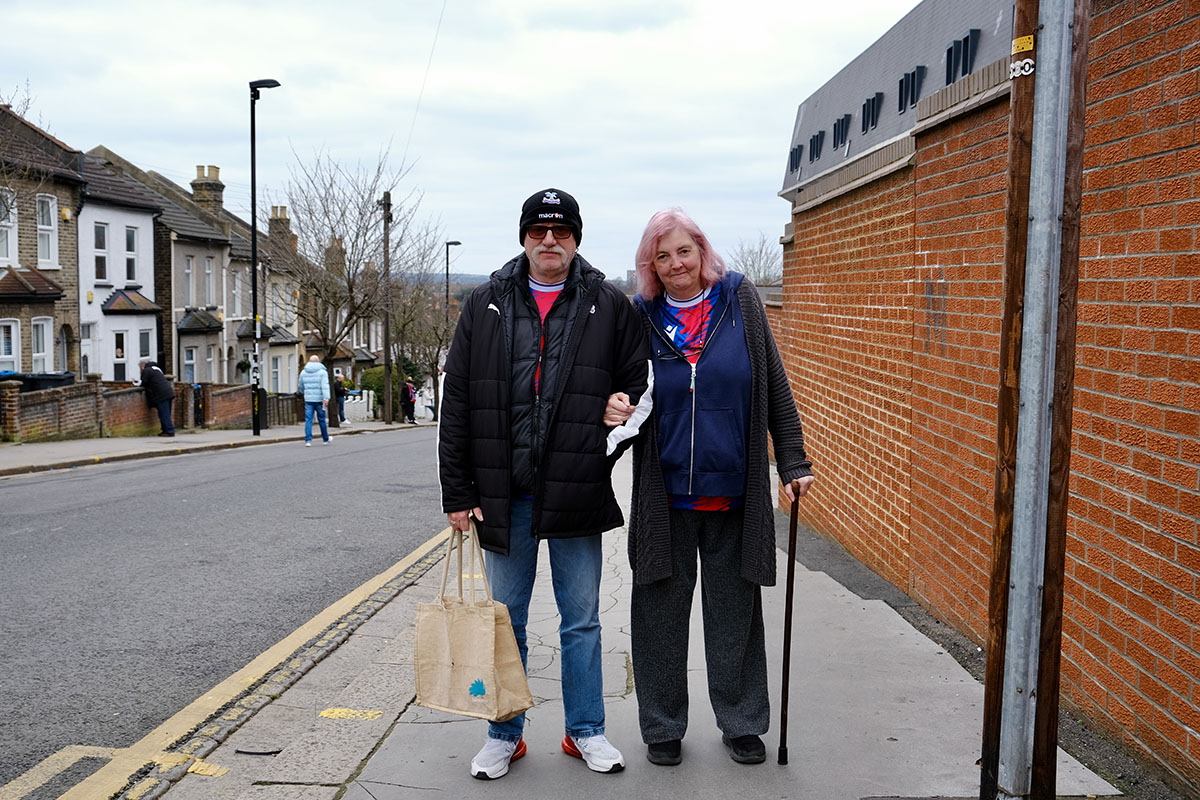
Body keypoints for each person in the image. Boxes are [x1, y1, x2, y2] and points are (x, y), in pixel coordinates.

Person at [439, 188, 651, 780]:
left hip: (576, 487)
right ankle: (504, 734)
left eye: (559, 229)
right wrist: (457, 492)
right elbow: (456, 401)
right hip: (503, 495)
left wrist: (620, 408)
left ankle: (585, 732)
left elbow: (640, 384)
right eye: (538, 229)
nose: (549, 239)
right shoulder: (485, 305)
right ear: (524, 237)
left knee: (580, 620)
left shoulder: (609, 305)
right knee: (506, 619)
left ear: (576, 237)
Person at [613, 208, 815, 768]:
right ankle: (662, 726)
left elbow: (773, 381)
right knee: (657, 616)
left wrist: (792, 462)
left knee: (735, 615)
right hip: (665, 496)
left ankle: (742, 722)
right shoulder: (642, 316)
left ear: (702, 251)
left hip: (734, 493)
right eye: (663, 256)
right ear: (650, 265)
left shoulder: (739, 300)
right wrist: (613, 405)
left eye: (684, 251)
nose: (676, 264)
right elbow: (622, 390)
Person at [297, 355, 331, 446]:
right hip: (320, 400)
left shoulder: (303, 372)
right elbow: (325, 386)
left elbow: (300, 385)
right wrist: (326, 397)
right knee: (322, 419)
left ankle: (308, 440)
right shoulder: (322, 372)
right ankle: (325, 439)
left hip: (308, 399)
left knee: (308, 420)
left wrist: (304, 392)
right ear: (318, 361)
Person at [139, 359, 175, 437]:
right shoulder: (156, 369)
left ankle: (169, 431)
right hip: (168, 392)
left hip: (161, 394)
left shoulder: (146, 371)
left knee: (164, 414)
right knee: (167, 413)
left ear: (142, 366)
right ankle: (165, 430)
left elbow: (143, 382)